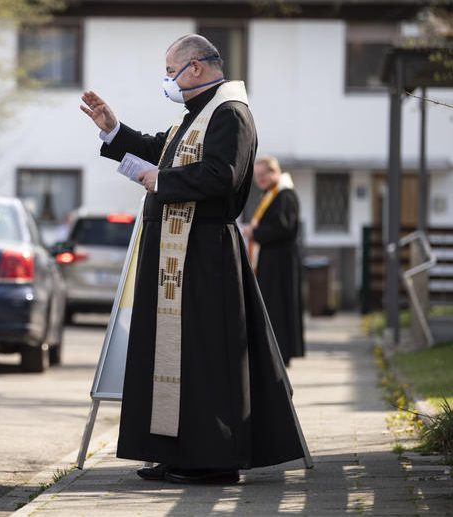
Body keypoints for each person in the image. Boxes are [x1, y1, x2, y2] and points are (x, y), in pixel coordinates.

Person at [79, 34, 308, 485]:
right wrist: (112, 128)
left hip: (205, 255)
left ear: (196, 69)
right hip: (178, 255)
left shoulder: (231, 114)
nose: (168, 80)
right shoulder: (199, 115)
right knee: (178, 357)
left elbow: (222, 175)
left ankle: (215, 459)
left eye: (171, 71)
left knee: (207, 356)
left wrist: (160, 179)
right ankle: (182, 452)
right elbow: (159, 147)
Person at [243, 156, 305, 365]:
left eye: (263, 174)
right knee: (271, 305)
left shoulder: (284, 195)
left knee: (278, 305)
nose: (259, 179)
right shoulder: (271, 194)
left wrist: (255, 233)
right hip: (271, 258)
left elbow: (283, 227)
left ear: (274, 172)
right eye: (257, 176)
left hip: (281, 261)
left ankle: (281, 353)